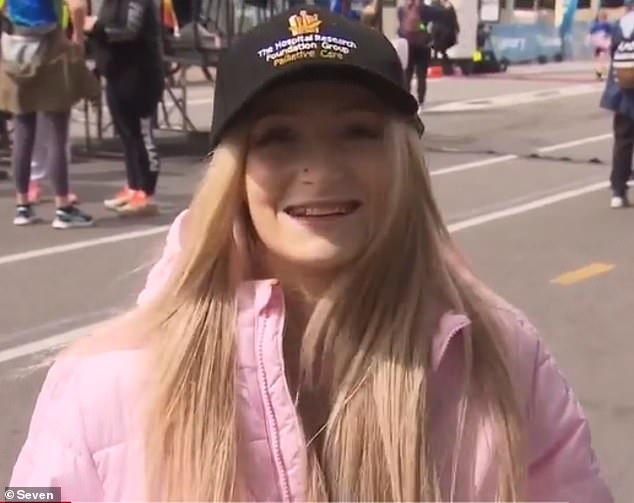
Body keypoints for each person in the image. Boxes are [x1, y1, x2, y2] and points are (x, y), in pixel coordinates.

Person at [10, 6, 614, 502]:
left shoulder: (504, 358)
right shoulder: (99, 383)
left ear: (404, 157)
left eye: (358, 131)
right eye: (277, 138)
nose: (320, 169)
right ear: (234, 173)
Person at [0, 0, 99, 227]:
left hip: (14, 48)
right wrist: (78, 39)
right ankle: (63, 207)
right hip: (49, 49)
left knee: (23, 132)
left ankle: (23, 206)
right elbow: (77, 7)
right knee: (57, 132)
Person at [84, 0, 164, 216]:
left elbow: (129, 29)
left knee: (142, 134)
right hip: (116, 72)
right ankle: (133, 186)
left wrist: (96, 27)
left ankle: (146, 192)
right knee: (127, 134)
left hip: (140, 75)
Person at [600, 0, 634, 209]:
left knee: (622, 141)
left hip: (622, 90)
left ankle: (618, 191)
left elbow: (613, 54)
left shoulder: (619, 26)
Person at [397, 0, 442, 109]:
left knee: (407, 74)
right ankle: (421, 99)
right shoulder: (426, 10)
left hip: (408, 44)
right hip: (423, 44)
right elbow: (438, 16)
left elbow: (400, 27)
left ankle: (405, 99)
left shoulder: (402, 9)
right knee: (421, 75)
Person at [589, 9, 613, 80]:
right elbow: (610, 34)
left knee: (599, 60)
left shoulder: (595, 25)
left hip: (597, 45)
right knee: (602, 60)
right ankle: (601, 74)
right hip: (604, 45)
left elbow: (590, 34)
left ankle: (599, 74)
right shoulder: (607, 25)